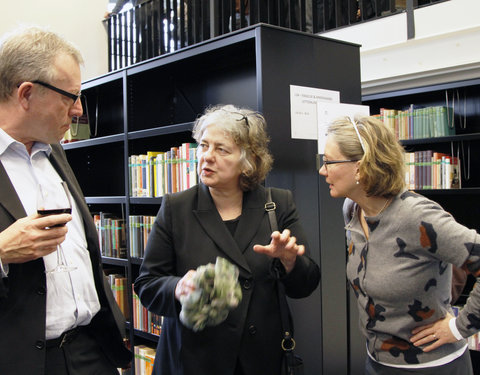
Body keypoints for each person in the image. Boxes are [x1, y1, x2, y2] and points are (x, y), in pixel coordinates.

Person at [134, 104, 320, 375]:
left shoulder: (278, 204)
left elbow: (306, 284)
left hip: (258, 360)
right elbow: (147, 284)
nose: (207, 157)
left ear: (248, 161)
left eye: (221, 149)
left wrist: (290, 261)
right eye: (204, 146)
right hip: (193, 359)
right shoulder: (176, 207)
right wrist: (178, 288)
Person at [0, 26, 131, 374]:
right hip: (23, 361)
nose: (78, 110)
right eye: (70, 96)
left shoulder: (55, 152)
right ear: (26, 94)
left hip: (92, 351)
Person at [318, 116, 479, 374]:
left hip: (433, 367)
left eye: (328, 162)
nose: (322, 170)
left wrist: (458, 327)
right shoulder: (351, 210)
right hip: (377, 363)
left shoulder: (418, 216)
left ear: (360, 167)